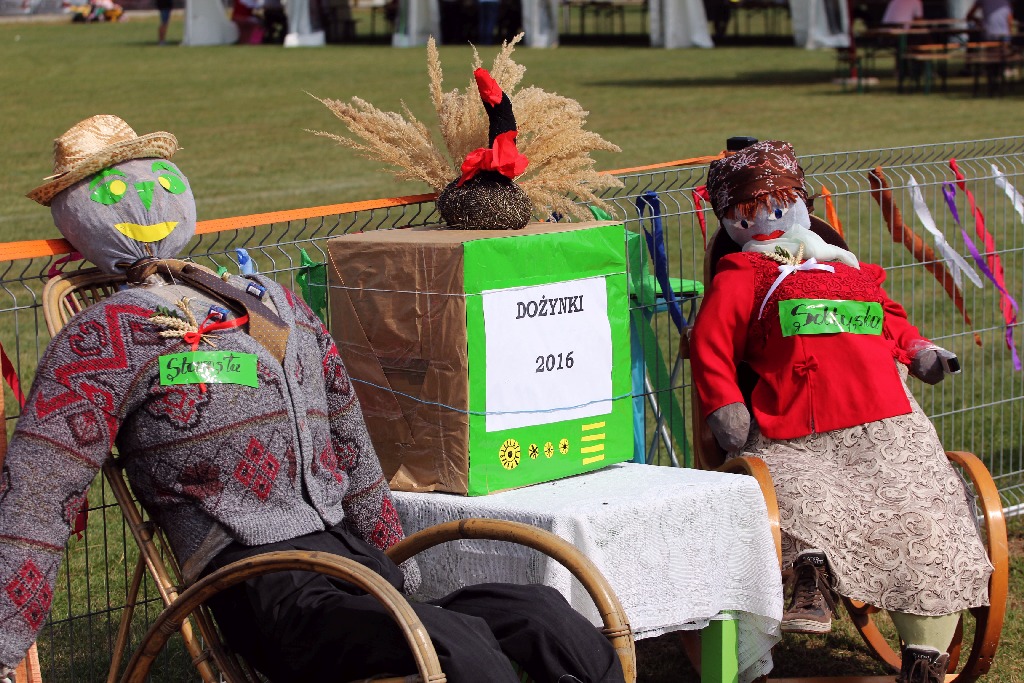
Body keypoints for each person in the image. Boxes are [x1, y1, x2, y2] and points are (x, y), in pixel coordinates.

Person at [0, 114, 625, 683]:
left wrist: (386, 557)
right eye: (111, 190)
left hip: (354, 566)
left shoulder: (263, 298)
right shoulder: (103, 335)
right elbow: (38, 486)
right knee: (458, 649)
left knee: (540, 611)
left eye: (157, 175)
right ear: (74, 211)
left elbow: (348, 437)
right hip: (262, 581)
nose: (143, 197)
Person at [690, 140, 994, 683]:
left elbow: (890, 320)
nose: (765, 222)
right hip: (795, 431)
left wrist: (921, 351)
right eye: (746, 214)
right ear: (730, 220)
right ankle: (812, 580)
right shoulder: (740, 277)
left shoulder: (849, 271)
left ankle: (925, 653)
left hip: (888, 425)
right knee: (796, 492)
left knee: (925, 512)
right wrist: (725, 406)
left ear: (799, 204)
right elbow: (711, 346)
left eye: (778, 207)